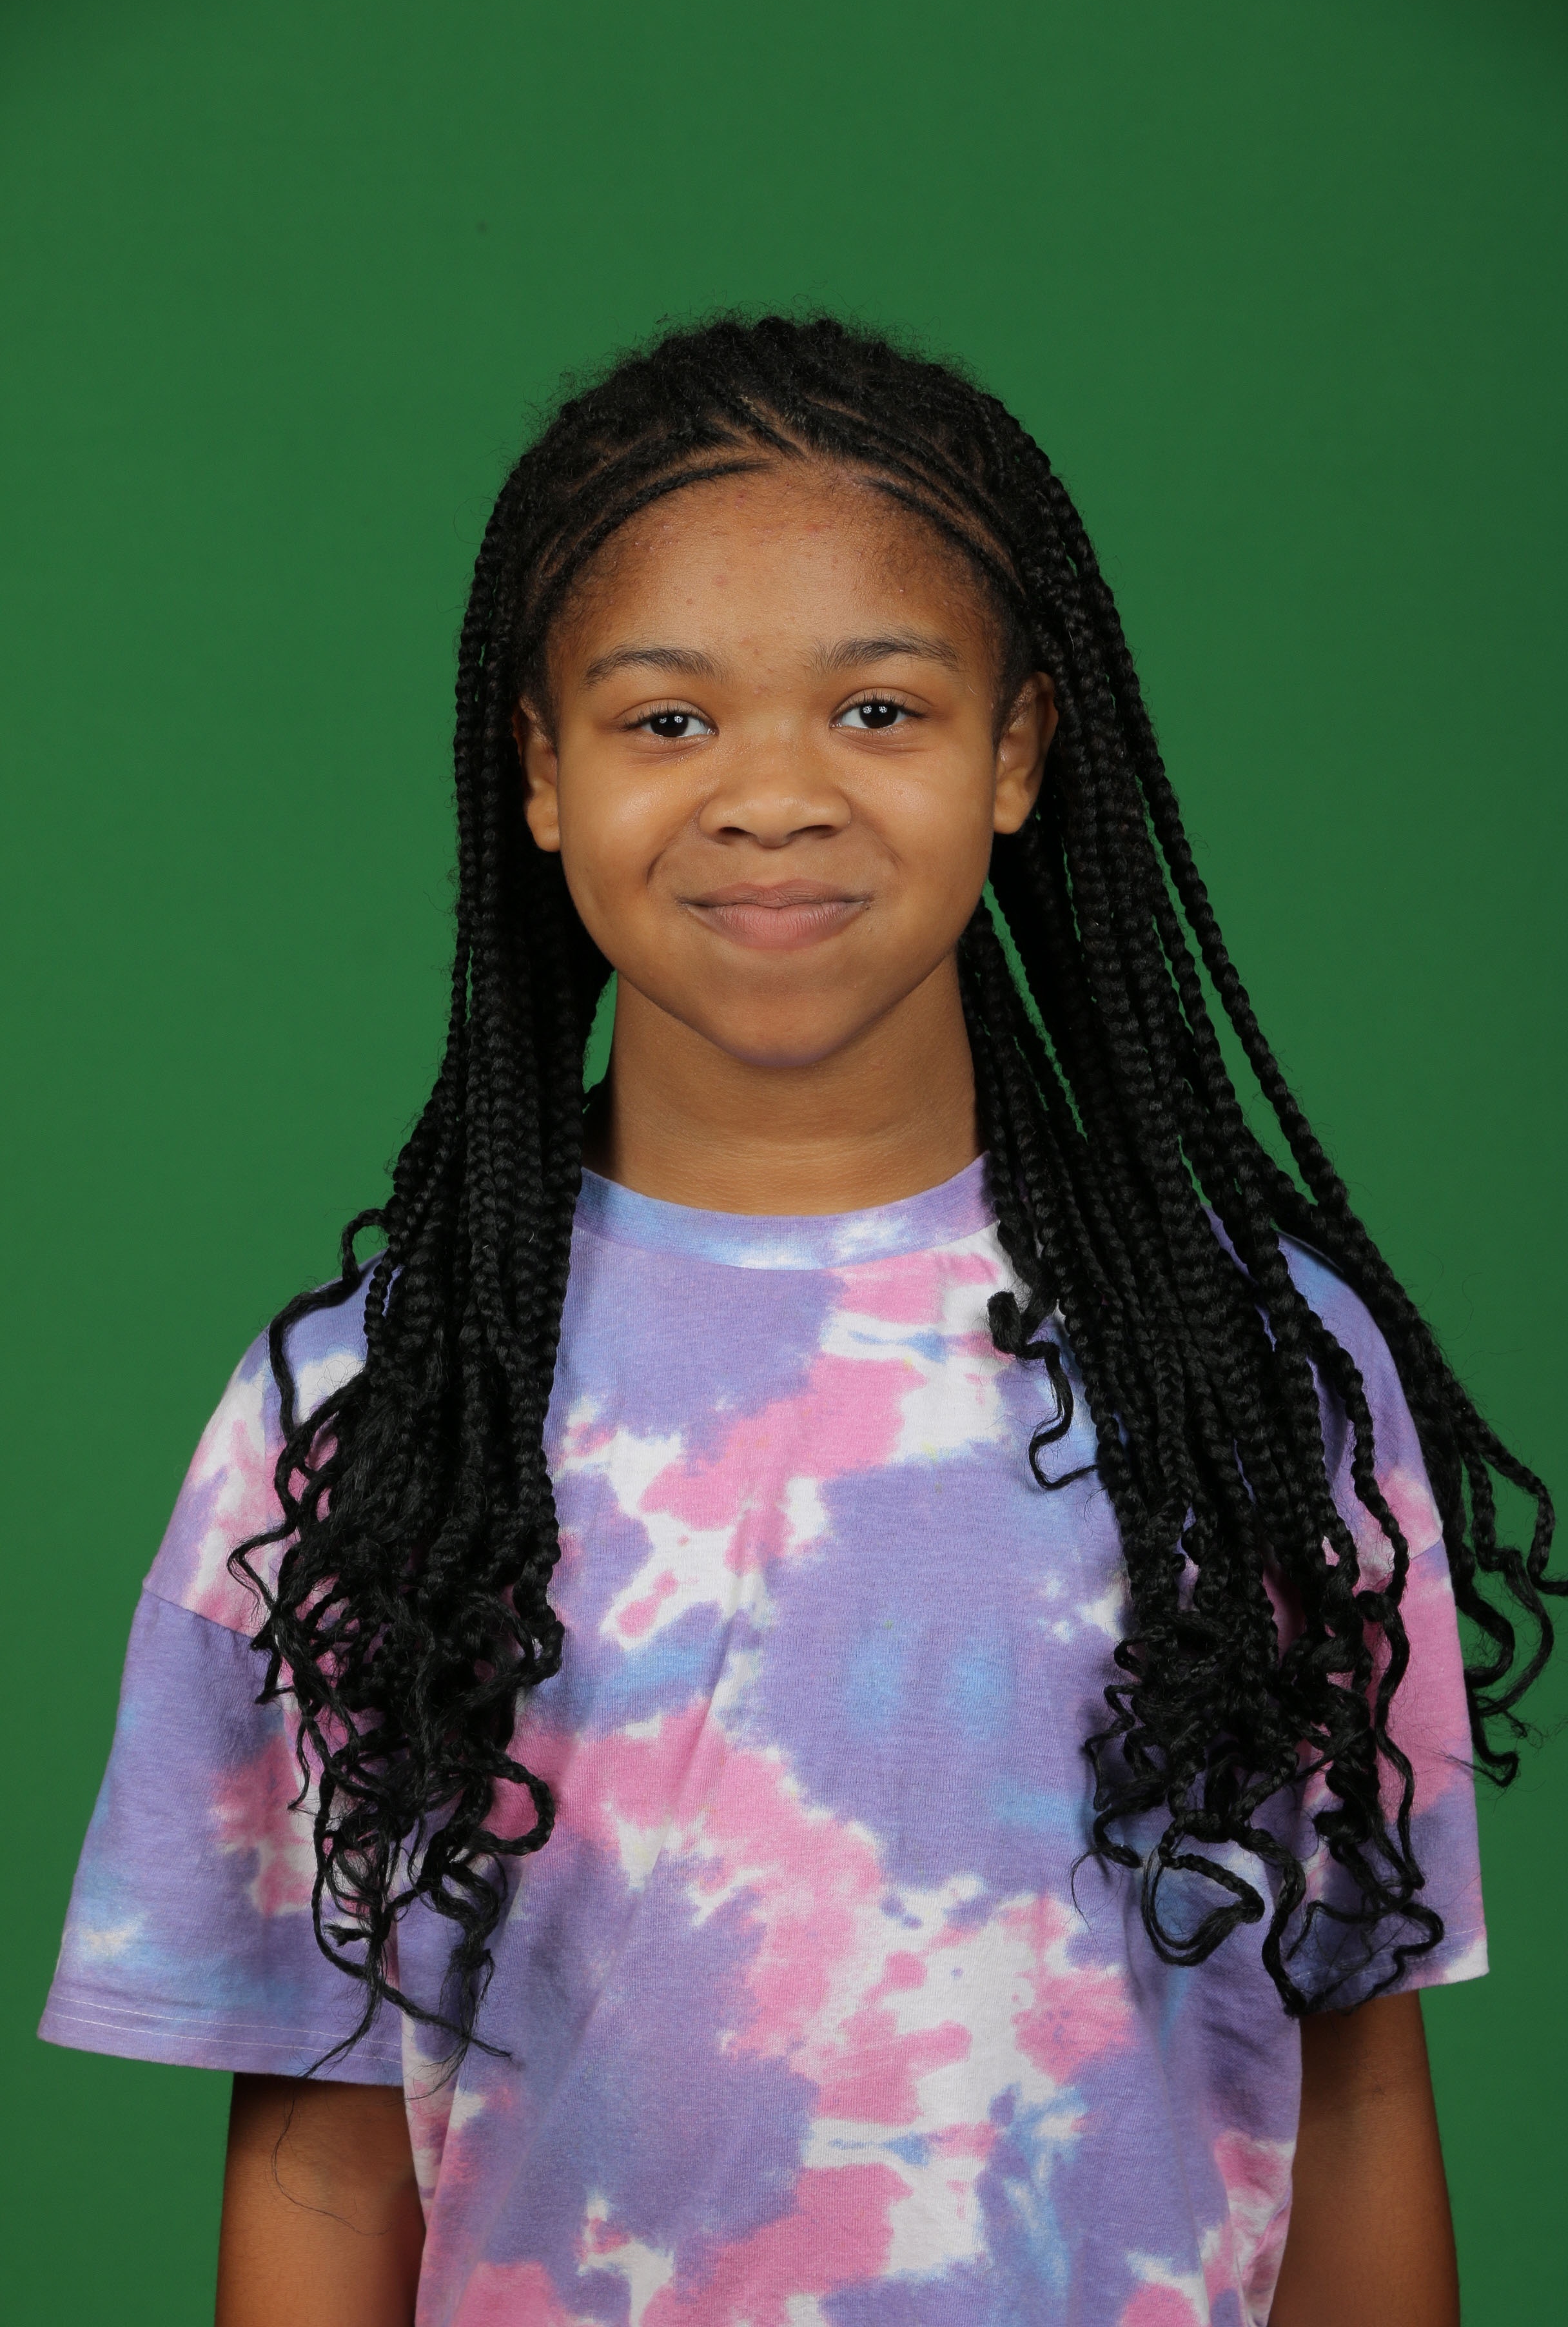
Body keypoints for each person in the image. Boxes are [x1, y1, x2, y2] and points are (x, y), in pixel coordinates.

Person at [40, 315, 1558, 2327]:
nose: (772, 798)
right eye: (668, 720)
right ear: (542, 772)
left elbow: (1350, 2084)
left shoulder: (1254, 1377)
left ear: (1016, 752)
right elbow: (324, 2158)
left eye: (878, 709)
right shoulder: (365, 1419)